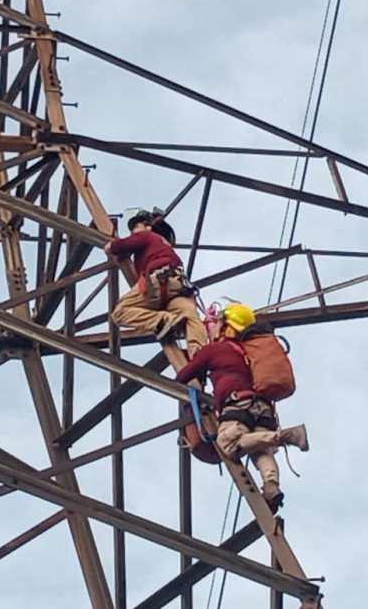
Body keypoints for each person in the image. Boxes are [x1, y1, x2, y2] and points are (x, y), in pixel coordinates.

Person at [175, 302, 308, 509]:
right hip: (263, 407)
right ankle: (271, 485)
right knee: (262, 451)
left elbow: (184, 375)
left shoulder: (216, 349)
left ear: (228, 326)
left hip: (237, 404)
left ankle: (284, 437)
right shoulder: (250, 350)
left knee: (227, 444)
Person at [104, 208, 206, 356]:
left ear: (147, 226)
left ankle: (165, 320)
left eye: (136, 227)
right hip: (178, 287)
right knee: (191, 317)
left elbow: (120, 245)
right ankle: (199, 356)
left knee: (120, 313)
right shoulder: (163, 246)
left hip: (159, 282)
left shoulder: (147, 235)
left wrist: (110, 247)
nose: (134, 232)